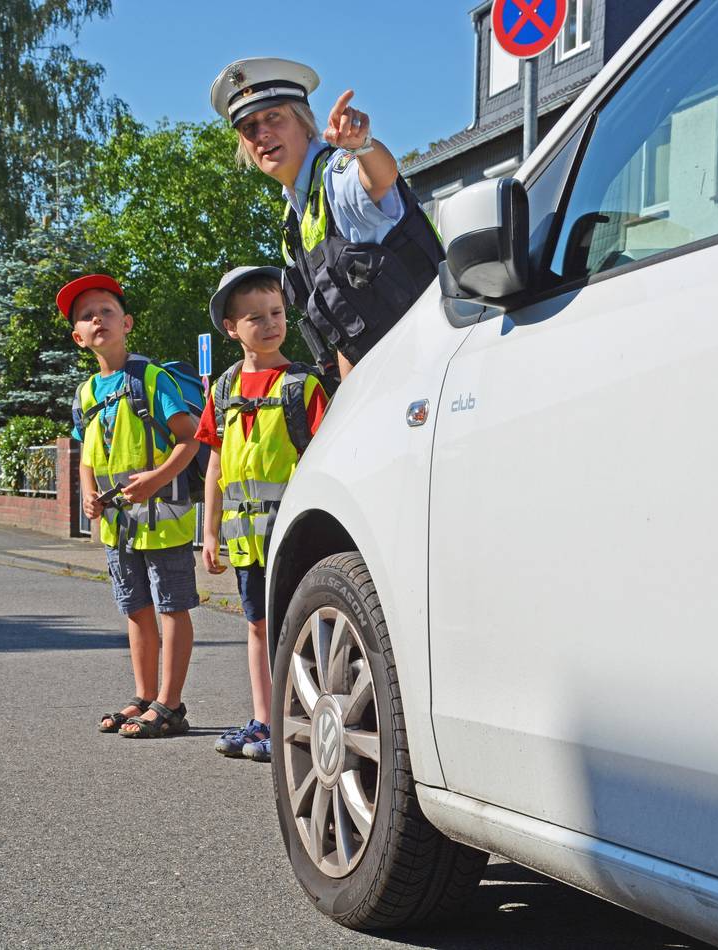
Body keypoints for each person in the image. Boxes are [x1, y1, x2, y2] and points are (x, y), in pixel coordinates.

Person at [210, 58, 444, 380]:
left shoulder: (337, 174)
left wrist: (363, 146)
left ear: (305, 123)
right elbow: (347, 332)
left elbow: (380, 179)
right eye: (249, 128)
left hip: (436, 363)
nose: (262, 133)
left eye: (273, 117)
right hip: (389, 383)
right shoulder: (293, 221)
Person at [57, 273, 200, 739]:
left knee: (171, 608)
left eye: (107, 310)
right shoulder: (84, 394)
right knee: (136, 608)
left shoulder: (149, 378)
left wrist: (157, 478)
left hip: (164, 521)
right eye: (86, 316)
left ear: (127, 323)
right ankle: (143, 696)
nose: (97, 318)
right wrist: (86, 494)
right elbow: (85, 454)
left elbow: (189, 438)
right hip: (119, 528)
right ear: (78, 338)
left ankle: (170, 704)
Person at [196, 265, 328, 762]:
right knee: (257, 627)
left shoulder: (302, 386)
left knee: (297, 627)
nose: (271, 324)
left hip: (293, 538)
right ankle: (264, 720)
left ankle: (299, 722)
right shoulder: (224, 389)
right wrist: (208, 533)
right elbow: (214, 464)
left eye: (276, 313)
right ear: (231, 328)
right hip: (247, 541)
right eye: (256, 317)